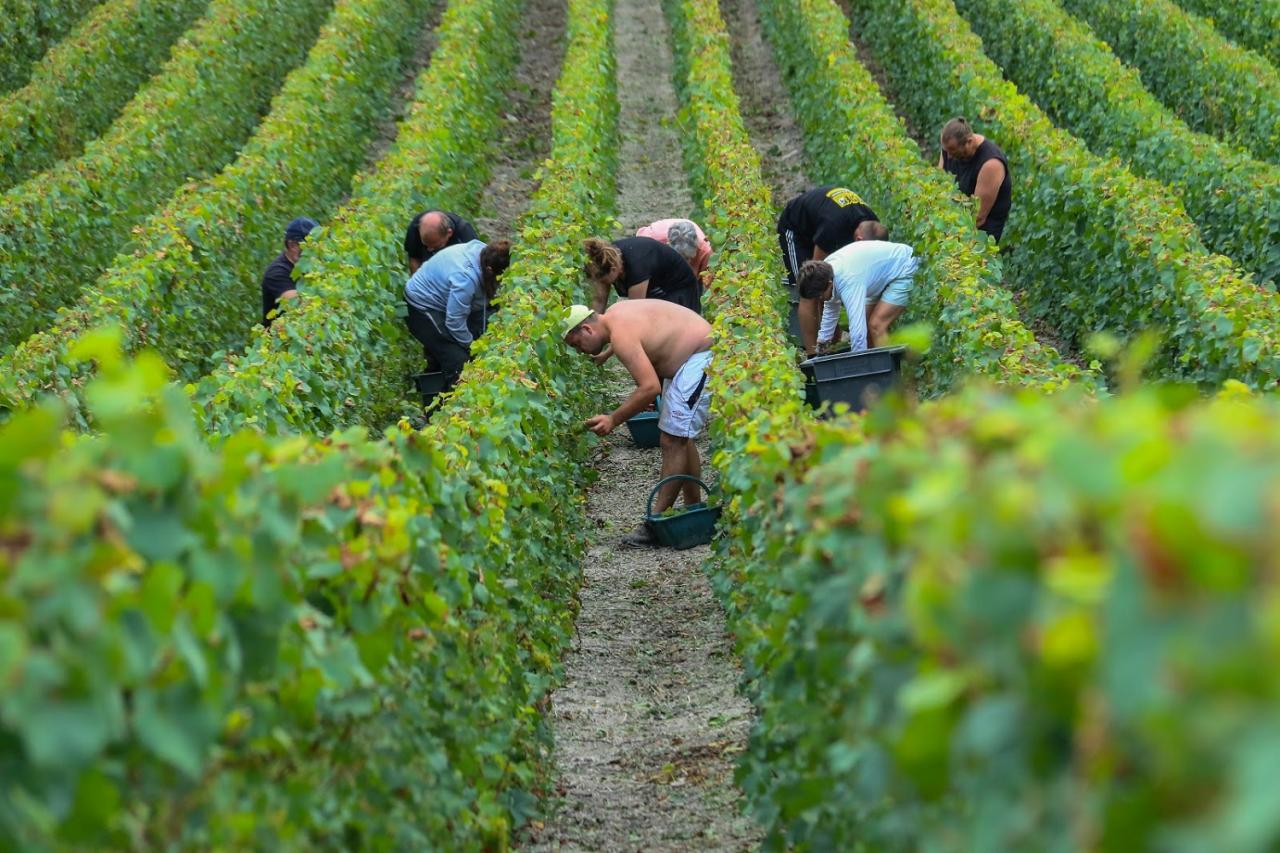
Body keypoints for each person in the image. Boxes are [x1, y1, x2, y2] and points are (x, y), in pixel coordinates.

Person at [563, 301, 712, 546]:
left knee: (672, 439)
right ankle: (693, 508)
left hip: (700, 354)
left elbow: (649, 387)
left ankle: (655, 523)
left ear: (587, 330)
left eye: (576, 343)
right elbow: (639, 331)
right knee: (680, 436)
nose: (580, 350)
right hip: (692, 351)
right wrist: (608, 352)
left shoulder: (621, 336)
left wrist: (613, 419)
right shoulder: (614, 314)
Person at [776, 185, 880, 349]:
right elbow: (819, 277)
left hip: (823, 222)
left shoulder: (872, 224)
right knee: (810, 289)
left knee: (831, 284)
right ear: (858, 239)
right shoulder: (834, 227)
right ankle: (812, 355)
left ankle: (833, 340)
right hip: (796, 229)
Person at [403, 239, 511, 390]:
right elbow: (454, 322)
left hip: (448, 298)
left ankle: (437, 374)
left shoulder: (485, 253)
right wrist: (472, 347)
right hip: (423, 306)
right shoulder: (465, 278)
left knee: (484, 334)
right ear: (491, 271)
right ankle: (445, 405)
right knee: (458, 361)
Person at [796, 222, 918, 355]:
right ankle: (878, 367)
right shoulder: (827, 270)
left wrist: (857, 365)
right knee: (867, 327)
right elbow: (831, 309)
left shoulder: (849, 280)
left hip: (904, 267)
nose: (819, 299)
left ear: (829, 283)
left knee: (876, 325)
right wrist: (821, 346)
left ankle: (897, 369)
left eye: (819, 295)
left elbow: (857, 333)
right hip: (877, 275)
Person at [583, 235, 702, 316]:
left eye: (604, 281)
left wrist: (613, 346)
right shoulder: (604, 259)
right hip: (657, 287)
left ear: (614, 270)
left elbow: (635, 314)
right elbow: (599, 300)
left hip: (680, 289)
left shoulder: (637, 267)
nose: (603, 284)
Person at [938, 117, 1011, 243]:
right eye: (946, 151)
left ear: (969, 141)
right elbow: (938, 184)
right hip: (956, 220)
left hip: (981, 231)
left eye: (953, 151)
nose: (949, 156)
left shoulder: (991, 164)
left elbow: (978, 217)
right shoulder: (949, 149)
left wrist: (949, 236)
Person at [261, 217, 318, 327]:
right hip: (281, 339)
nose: (314, 251)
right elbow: (298, 305)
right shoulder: (277, 272)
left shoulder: (310, 265)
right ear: (292, 245)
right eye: (309, 246)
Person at [635, 218, 714, 284]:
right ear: (668, 244)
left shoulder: (705, 252)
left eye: (689, 258)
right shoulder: (652, 239)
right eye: (682, 258)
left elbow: (711, 284)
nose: (685, 264)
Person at [403, 210, 478, 273]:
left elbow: (476, 265)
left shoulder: (464, 232)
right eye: (426, 244)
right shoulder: (415, 227)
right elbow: (413, 257)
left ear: (449, 233)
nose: (429, 249)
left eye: (434, 246)